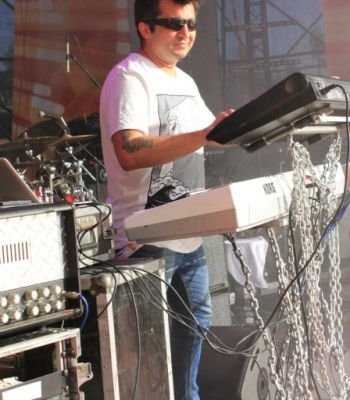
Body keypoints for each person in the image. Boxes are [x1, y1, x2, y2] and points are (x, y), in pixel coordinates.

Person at [99, 0, 233, 398]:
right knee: (148, 346)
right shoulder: (130, 77)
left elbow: (210, 137)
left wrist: (260, 124)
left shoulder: (185, 81)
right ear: (145, 27)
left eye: (191, 24)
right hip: (146, 236)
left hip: (187, 232)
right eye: (174, 23)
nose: (186, 33)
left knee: (196, 326)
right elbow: (129, 150)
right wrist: (203, 135)